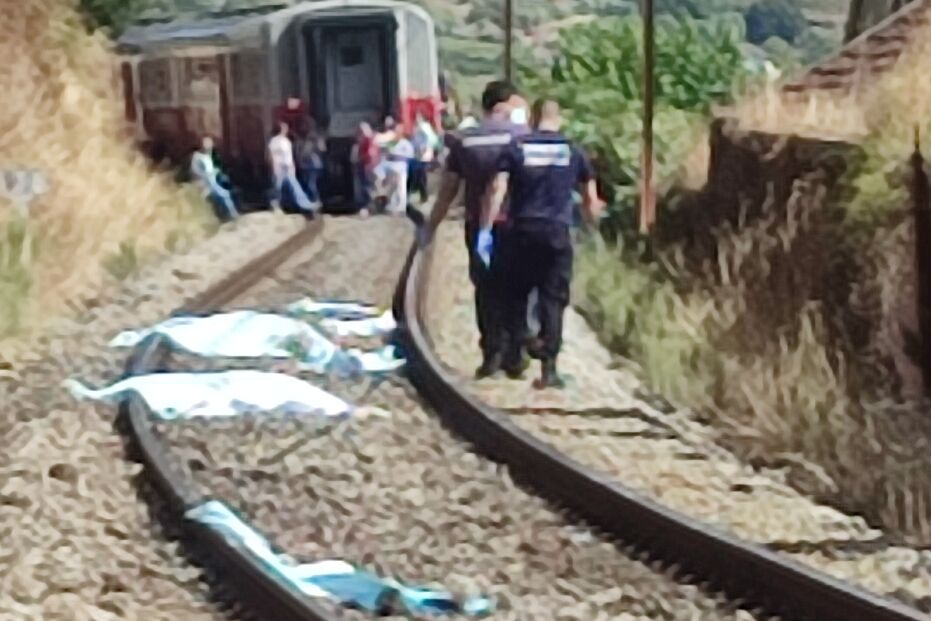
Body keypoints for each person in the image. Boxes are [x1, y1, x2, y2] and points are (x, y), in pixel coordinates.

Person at [481, 99, 605, 389]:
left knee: (516, 294)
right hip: (557, 233)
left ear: (534, 118)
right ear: (558, 118)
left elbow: (497, 189)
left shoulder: (516, 148)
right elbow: (590, 199)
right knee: (553, 298)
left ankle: (523, 337)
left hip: (521, 230)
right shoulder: (573, 151)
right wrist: (593, 225)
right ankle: (549, 370)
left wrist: (486, 229)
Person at [423, 80, 529, 378]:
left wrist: (431, 225)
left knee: (486, 289)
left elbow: (448, 190)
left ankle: (492, 353)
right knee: (517, 287)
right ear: (505, 104)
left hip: (477, 225)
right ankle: (516, 353)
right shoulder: (523, 137)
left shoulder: (464, 140)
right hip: (517, 223)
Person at [267, 121, 316, 215]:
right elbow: (272, 155)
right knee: (277, 187)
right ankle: (275, 205)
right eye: (284, 128)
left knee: (294, 186)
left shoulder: (285, 141)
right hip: (279, 167)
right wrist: (274, 166)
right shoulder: (274, 141)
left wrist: (291, 166)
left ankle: (305, 204)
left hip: (287, 167)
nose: (286, 129)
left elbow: (289, 155)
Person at [190, 136, 238, 222]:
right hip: (203, 184)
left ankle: (228, 216)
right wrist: (206, 175)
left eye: (211, 144)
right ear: (202, 145)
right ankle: (232, 216)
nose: (210, 146)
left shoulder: (208, 155)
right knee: (224, 195)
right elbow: (195, 171)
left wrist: (216, 172)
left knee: (225, 193)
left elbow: (211, 170)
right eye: (207, 144)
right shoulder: (197, 157)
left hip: (212, 182)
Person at [296, 120, 326, 208]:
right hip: (303, 165)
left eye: (305, 124)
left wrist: (315, 143)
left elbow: (322, 149)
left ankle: (316, 201)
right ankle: (309, 202)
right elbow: (298, 150)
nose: (303, 127)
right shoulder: (300, 137)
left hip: (313, 164)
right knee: (305, 184)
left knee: (311, 184)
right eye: (302, 125)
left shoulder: (315, 137)